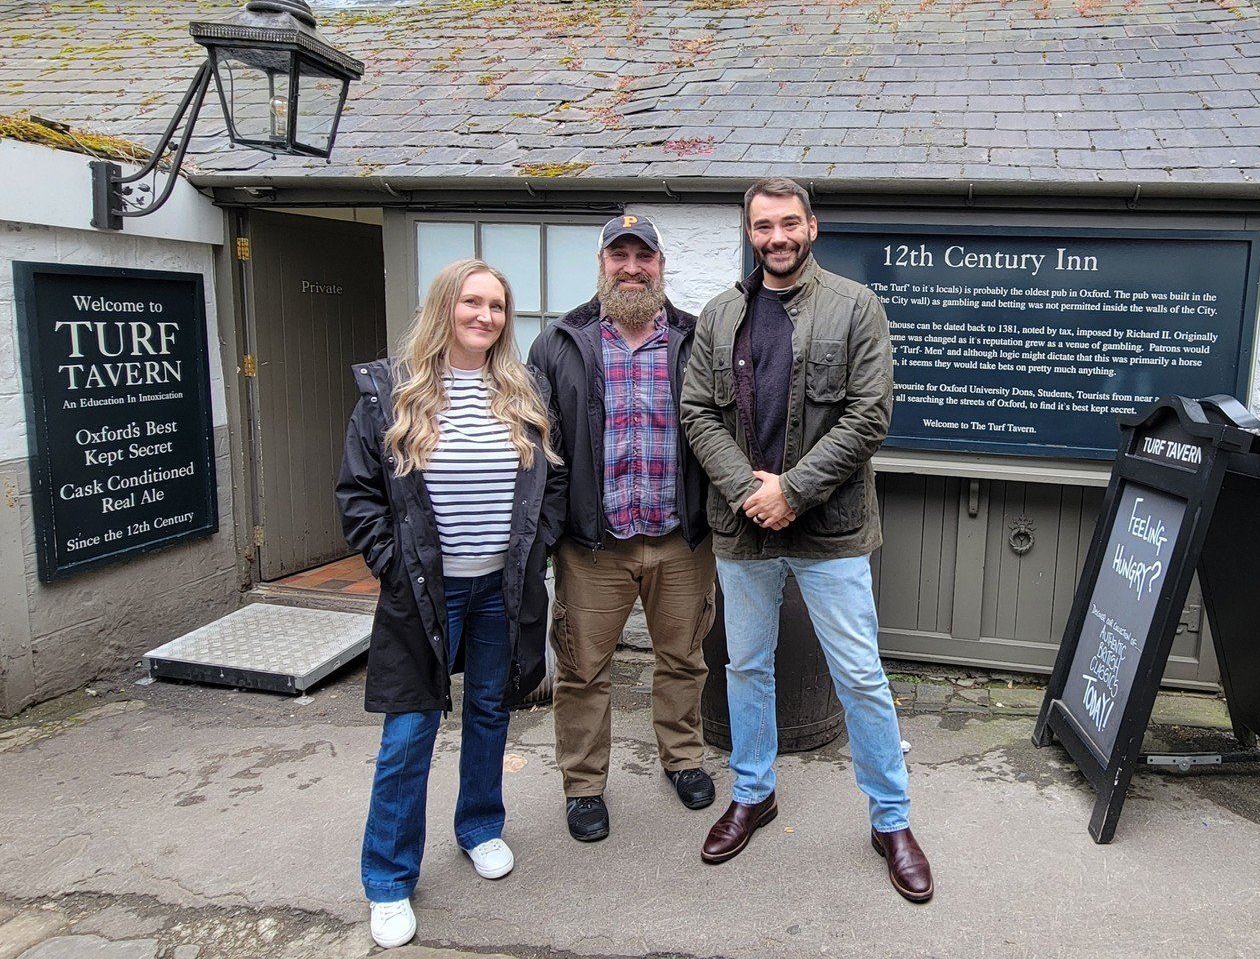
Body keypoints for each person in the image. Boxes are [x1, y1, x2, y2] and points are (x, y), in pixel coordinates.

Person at [679, 178, 933, 903]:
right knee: (746, 668)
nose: (776, 237)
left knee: (858, 676)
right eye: (763, 226)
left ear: (811, 228)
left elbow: (868, 415)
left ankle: (891, 821)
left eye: (788, 223)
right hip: (742, 531)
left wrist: (790, 490)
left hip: (831, 531)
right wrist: (748, 492)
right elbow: (696, 412)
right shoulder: (720, 315)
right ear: (750, 232)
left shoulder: (855, 306)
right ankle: (754, 794)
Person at [336, 259, 561, 948]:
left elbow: (550, 485)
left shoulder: (523, 390)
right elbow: (359, 497)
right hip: (424, 594)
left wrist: (536, 551)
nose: (485, 316)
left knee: (490, 712)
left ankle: (480, 827)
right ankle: (388, 879)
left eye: (497, 305)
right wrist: (394, 570)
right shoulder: (388, 392)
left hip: (500, 587)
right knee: (409, 732)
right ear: (445, 306)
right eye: (472, 302)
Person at [529, 214, 716, 843]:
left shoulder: (698, 339)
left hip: (680, 538)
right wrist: (547, 532)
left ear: (662, 265)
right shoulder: (559, 342)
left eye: (645, 256)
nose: (632, 267)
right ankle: (583, 785)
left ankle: (682, 757)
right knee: (583, 669)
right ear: (602, 263)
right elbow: (541, 447)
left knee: (684, 658)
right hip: (593, 545)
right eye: (620, 256)